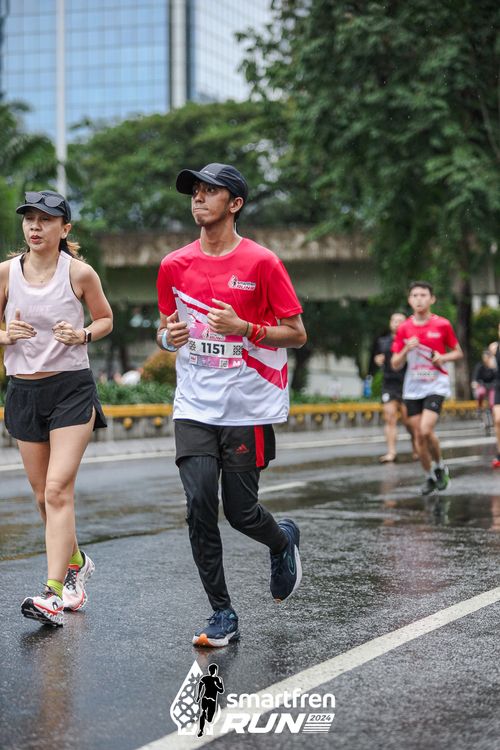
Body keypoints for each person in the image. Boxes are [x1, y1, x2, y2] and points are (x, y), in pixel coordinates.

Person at [156, 163, 307, 647]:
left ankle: (281, 539)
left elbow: (297, 334)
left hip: (247, 405)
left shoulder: (262, 263)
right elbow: (165, 330)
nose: (198, 198)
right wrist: (168, 337)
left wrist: (245, 328)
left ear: (235, 203)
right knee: (200, 503)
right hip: (194, 405)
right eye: (194, 192)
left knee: (241, 512)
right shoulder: (173, 265)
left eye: (209, 191)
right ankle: (222, 612)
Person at [0, 190, 113, 626]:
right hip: (24, 392)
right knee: (41, 496)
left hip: (70, 390)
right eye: (29, 218)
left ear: (64, 228)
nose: (35, 226)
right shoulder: (7, 273)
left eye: (45, 219)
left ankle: (52, 592)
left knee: (57, 490)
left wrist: (83, 335)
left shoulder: (79, 273)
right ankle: (77, 562)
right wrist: (6, 335)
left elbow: (105, 319)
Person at [391, 281, 463, 495]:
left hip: (436, 384)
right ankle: (429, 476)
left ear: (432, 299)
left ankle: (440, 466)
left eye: (423, 295)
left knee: (425, 429)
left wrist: (443, 357)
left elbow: (458, 352)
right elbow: (395, 364)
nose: (419, 299)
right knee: (419, 436)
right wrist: (406, 349)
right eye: (415, 295)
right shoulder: (404, 328)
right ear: (409, 300)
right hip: (413, 388)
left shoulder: (442, 325)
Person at [373, 311, 416, 462]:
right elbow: (378, 357)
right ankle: (391, 452)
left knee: (409, 422)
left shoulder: (412, 342)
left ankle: (416, 448)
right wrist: (378, 359)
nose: (397, 323)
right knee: (389, 417)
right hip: (389, 384)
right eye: (394, 320)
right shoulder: (383, 341)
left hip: (407, 384)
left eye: (400, 321)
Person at [196, 664, 224, 737]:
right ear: (209, 671)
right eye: (211, 670)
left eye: (213, 670)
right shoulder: (205, 678)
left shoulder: (218, 679)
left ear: (215, 671)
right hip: (205, 698)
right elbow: (200, 685)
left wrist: (216, 685)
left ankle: (206, 716)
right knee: (203, 712)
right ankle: (201, 730)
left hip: (212, 700)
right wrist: (198, 696)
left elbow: (221, 690)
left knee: (209, 719)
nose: (212, 671)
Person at [488, 323, 500, 468]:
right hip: (498, 385)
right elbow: (491, 366)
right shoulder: (494, 347)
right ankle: (499, 453)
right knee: (497, 420)